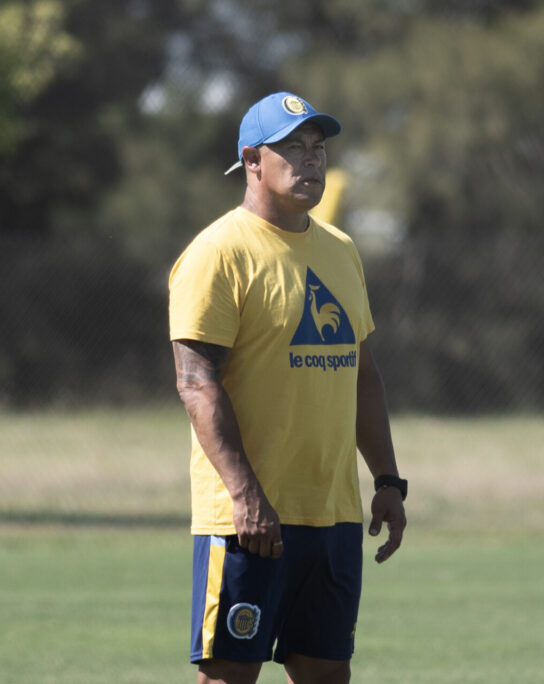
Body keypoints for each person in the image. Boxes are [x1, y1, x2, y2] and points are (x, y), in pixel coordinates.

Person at [168, 91, 407, 684]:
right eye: (292, 148)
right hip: (248, 518)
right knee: (230, 676)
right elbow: (197, 384)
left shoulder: (342, 252)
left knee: (328, 673)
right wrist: (246, 495)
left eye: (318, 148)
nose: (311, 161)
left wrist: (387, 480)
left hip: (332, 514)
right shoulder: (218, 253)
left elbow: (363, 374)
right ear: (252, 160)